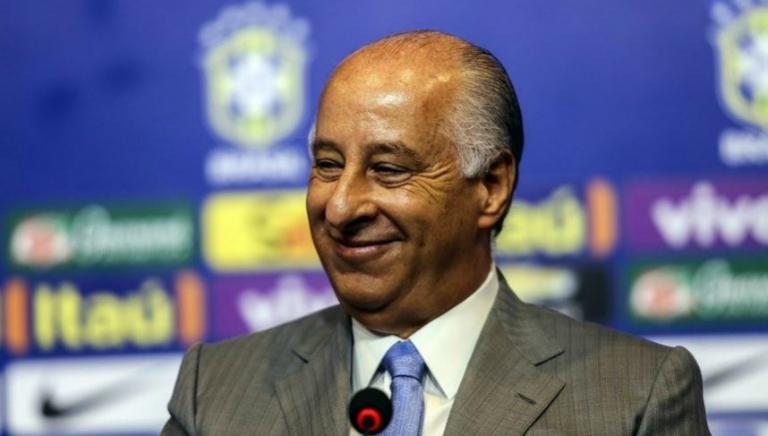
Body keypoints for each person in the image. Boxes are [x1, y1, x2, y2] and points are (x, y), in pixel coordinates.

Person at [162, 31, 710, 435]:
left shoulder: (635, 396)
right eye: (328, 165)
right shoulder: (214, 390)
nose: (341, 206)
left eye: (388, 169)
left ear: (490, 187)